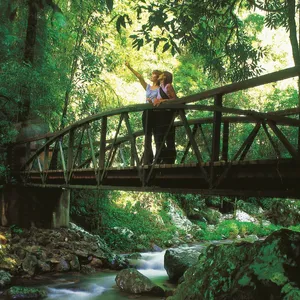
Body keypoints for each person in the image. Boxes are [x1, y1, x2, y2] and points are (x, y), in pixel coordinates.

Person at [125, 62, 162, 164]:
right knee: (147, 135)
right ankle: (148, 159)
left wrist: (153, 102)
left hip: (155, 112)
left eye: (154, 74)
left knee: (157, 135)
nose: (152, 75)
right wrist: (129, 67)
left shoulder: (160, 88)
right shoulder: (148, 87)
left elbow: (160, 99)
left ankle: (158, 158)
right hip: (146, 112)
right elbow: (139, 77)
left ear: (157, 77)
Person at [153, 71, 177, 164]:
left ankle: (170, 158)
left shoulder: (168, 86)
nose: (160, 75)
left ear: (165, 77)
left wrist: (163, 100)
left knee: (167, 135)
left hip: (168, 114)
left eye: (162, 74)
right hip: (160, 115)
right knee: (160, 136)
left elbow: (175, 99)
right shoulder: (160, 88)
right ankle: (163, 156)